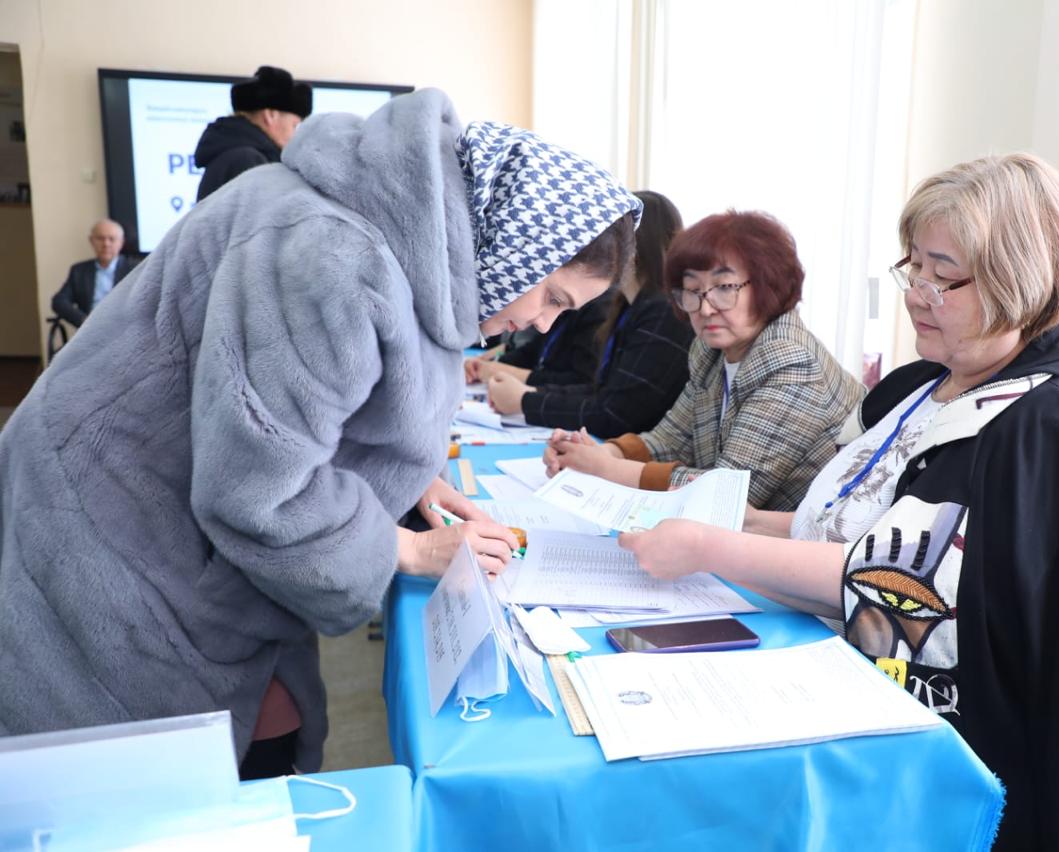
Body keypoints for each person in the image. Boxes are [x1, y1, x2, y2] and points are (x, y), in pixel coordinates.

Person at [0, 88, 640, 779]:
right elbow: (257, 492)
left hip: (150, 517)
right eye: (552, 297)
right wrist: (408, 549)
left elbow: (299, 410)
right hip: (115, 548)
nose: (543, 323)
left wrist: (409, 481)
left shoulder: (387, 235)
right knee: (159, 788)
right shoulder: (333, 257)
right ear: (514, 245)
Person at [619, 154, 1059, 849]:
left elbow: (905, 585)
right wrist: (748, 522)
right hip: (849, 674)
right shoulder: (924, 382)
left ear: (1019, 281)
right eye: (913, 267)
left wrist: (711, 546)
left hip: (974, 757)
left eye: (943, 276)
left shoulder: (1048, 427)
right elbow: (863, 523)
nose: (917, 294)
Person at [543, 210, 862, 510]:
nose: (706, 308)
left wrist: (606, 468)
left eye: (724, 288)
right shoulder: (709, 350)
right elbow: (672, 438)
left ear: (770, 285)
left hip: (800, 542)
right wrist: (603, 452)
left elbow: (728, 491)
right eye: (692, 290)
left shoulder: (792, 362)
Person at [488, 190, 694, 438]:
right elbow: (599, 391)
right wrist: (528, 395)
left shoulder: (663, 312)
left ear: (634, 247)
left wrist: (526, 400)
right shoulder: (628, 307)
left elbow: (616, 413)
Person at [194, 65, 313, 201]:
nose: (296, 135)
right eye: (294, 125)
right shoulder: (247, 160)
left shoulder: (234, 152)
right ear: (270, 116)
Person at [465, 291, 611, 388]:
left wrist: (502, 371)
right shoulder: (572, 309)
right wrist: (492, 364)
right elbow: (534, 350)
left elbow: (581, 381)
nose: (543, 326)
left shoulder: (600, 309)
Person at [50, 219, 139, 327]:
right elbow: (59, 301)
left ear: (121, 242)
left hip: (124, 329)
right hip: (90, 329)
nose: (106, 244)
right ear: (91, 241)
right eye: (100, 238)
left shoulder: (135, 269)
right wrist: (82, 319)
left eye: (111, 239)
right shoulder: (79, 271)